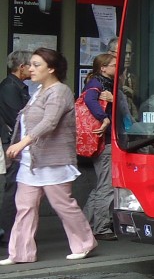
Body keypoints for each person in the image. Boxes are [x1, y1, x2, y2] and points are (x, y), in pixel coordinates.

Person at [2, 47, 98, 264]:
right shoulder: (38, 91)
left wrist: (22, 143)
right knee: (24, 207)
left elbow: (50, 121)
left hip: (53, 161)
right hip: (31, 161)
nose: (30, 69)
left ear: (51, 68)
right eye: (30, 64)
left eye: (37, 65)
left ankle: (84, 243)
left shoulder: (60, 91)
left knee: (63, 205)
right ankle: (20, 253)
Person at [81, 52, 118, 241]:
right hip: (105, 142)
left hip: (101, 142)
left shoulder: (100, 83)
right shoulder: (98, 84)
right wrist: (104, 118)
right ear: (103, 68)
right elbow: (89, 100)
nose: (117, 67)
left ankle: (83, 224)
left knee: (100, 185)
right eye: (113, 64)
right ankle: (101, 227)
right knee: (107, 186)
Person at [0, 50, 32, 244]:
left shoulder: (15, 85)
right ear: (21, 67)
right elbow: (18, 118)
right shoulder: (10, 87)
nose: (33, 69)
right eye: (31, 65)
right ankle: (8, 232)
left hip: (17, 142)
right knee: (13, 186)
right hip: (13, 143)